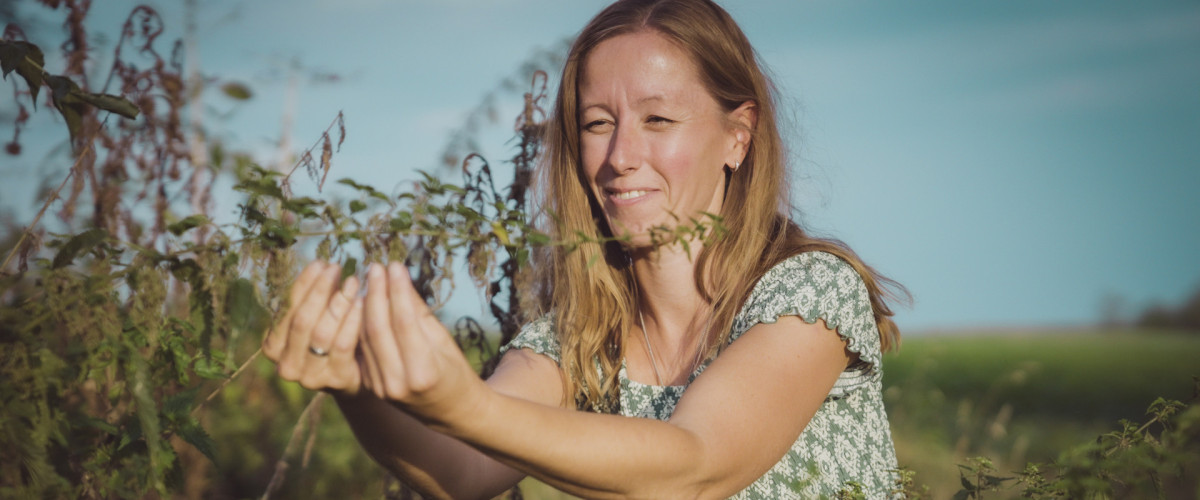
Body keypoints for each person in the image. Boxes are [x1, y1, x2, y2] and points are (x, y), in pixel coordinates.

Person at [264, 0, 907, 498]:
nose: (621, 158)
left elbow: (697, 466)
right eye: (599, 124)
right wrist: (357, 385)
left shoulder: (810, 294)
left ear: (738, 135)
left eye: (658, 120)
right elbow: (461, 473)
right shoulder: (579, 335)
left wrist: (464, 403)